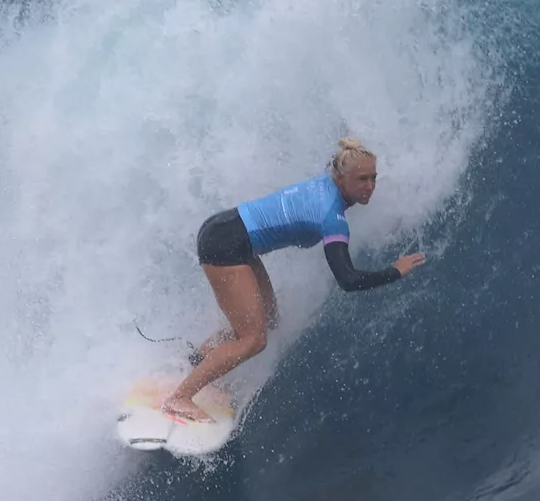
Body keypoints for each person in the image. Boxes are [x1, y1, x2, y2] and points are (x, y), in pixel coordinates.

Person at [162, 137, 426, 421]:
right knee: (253, 339)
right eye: (362, 179)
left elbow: (342, 161)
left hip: (229, 231)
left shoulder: (330, 182)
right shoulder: (331, 215)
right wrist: (394, 271)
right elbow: (347, 280)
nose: (370, 186)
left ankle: (198, 361)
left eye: (374, 177)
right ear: (340, 177)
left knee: (269, 319)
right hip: (225, 244)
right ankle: (179, 398)